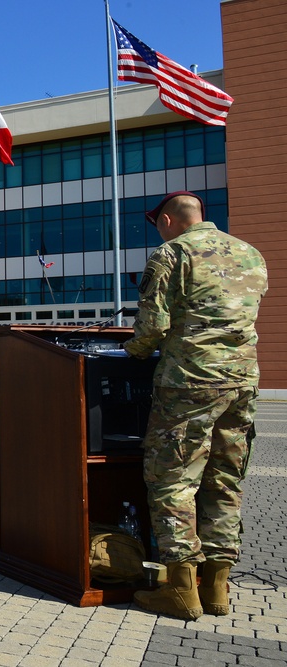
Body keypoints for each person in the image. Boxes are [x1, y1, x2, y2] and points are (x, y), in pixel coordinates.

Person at [124, 191, 267, 621]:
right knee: (224, 478)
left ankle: (182, 590)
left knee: (172, 479)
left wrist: (133, 351)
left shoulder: (172, 253)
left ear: (167, 220)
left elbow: (153, 325)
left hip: (190, 383)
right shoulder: (250, 254)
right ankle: (217, 587)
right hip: (242, 382)